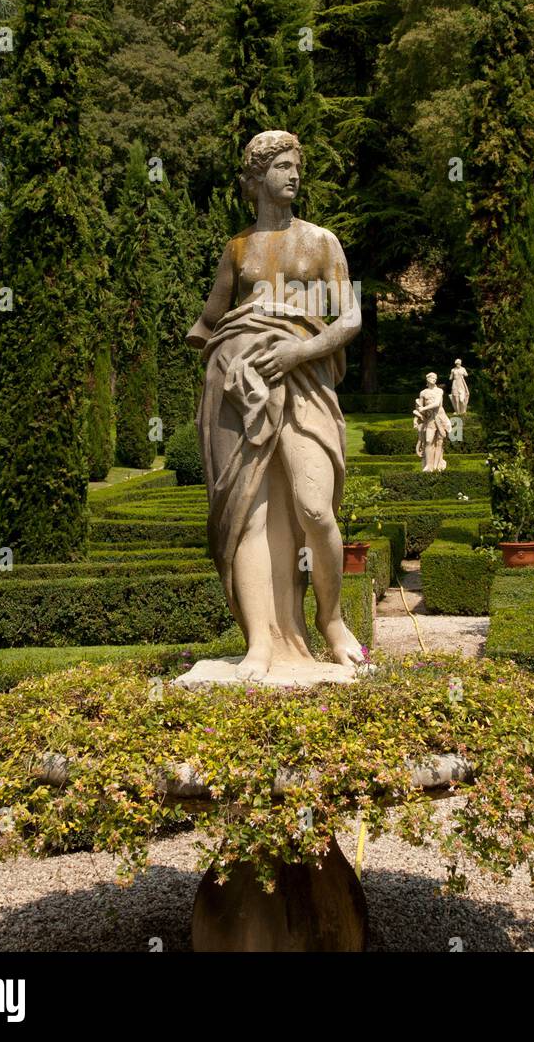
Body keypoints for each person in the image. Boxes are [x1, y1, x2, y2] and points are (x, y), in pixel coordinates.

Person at [186, 130, 365, 679]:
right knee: (248, 515)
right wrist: (231, 360)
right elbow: (209, 324)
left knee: (316, 509)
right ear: (257, 177)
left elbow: (351, 319)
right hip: (241, 392)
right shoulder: (238, 249)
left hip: (306, 379)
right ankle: (260, 642)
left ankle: (332, 621)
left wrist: (296, 351)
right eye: (282, 167)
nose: (293, 175)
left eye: (295, 166)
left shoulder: (320, 241)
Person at [413, 373, 452, 472]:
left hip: (440, 417)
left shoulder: (439, 390)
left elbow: (437, 403)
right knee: (428, 441)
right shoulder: (423, 393)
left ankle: (437, 465)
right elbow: (419, 408)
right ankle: (428, 465)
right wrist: (416, 420)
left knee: (439, 442)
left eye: (435, 378)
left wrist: (424, 408)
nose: (434, 379)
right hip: (430, 419)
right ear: (427, 379)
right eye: (432, 378)